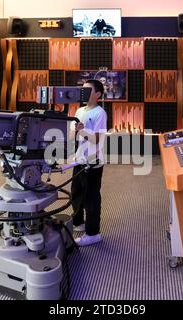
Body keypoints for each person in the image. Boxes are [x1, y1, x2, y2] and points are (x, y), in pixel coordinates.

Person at [71, 80, 108, 247]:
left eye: (87, 90)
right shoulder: (79, 110)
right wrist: (74, 131)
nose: (83, 93)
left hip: (93, 163)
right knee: (76, 194)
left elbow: (97, 139)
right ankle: (78, 222)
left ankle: (93, 233)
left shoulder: (100, 113)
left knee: (91, 198)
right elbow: (73, 136)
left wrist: (81, 130)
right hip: (79, 160)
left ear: (98, 94)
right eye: (82, 90)